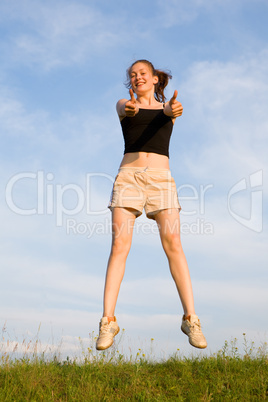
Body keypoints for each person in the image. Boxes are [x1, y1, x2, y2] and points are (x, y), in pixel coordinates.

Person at [96, 59, 207, 351]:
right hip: (128, 178)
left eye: (142, 74)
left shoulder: (168, 108)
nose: (137, 78)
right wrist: (130, 108)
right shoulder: (124, 105)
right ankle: (108, 321)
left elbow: (171, 110)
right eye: (132, 76)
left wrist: (172, 110)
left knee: (173, 243)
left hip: (161, 180)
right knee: (120, 246)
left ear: (156, 78)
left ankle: (190, 319)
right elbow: (125, 108)